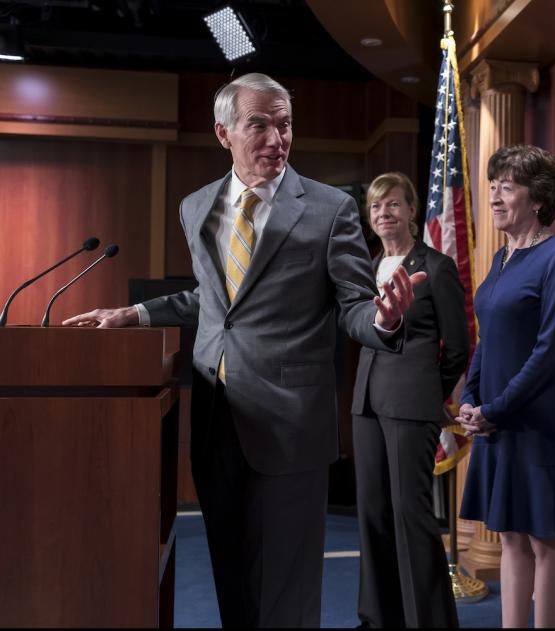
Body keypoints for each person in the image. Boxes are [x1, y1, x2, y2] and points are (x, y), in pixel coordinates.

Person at [63, 73, 424, 628]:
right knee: (233, 585)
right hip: (215, 426)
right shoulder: (196, 207)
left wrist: (383, 317)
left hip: (290, 429)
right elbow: (215, 299)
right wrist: (134, 313)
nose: (277, 137)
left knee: (286, 598)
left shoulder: (330, 210)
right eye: (259, 124)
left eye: (285, 124)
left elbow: (353, 304)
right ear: (223, 133)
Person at [456, 144, 555, 628]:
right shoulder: (502, 257)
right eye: (492, 186)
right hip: (496, 420)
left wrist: (497, 408)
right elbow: (488, 338)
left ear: (538, 198)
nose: (493, 195)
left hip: (534, 420)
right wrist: (472, 398)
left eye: (506, 187)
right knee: (510, 533)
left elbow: (548, 351)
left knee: (544, 537)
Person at [349, 172, 468, 628]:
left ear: (412, 211)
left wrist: (425, 393)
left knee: (408, 512)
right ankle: (378, 618)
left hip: (411, 405)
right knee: (373, 512)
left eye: (394, 204)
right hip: (366, 402)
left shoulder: (435, 267)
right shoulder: (364, 267)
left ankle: (430, 620)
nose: (384, 213)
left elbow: (457, 347)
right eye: (377, 207)